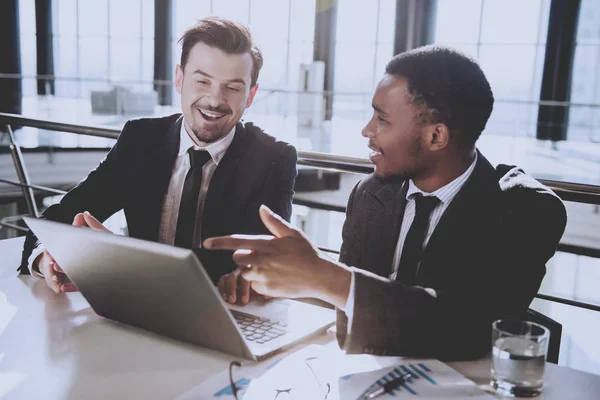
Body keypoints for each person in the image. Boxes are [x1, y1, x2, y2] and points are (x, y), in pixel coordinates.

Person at [204, 46, 568, 361]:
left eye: (382, 119)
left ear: (436, 135)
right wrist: (285, 280)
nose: (366, 130)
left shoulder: (525, 211)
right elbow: (352, 301)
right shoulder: (371, 195)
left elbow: (467, 328)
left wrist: (323, 275)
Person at [20, 17, 298, 298]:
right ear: (179, 79)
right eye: (202, 81)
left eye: (233, 88)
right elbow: (60, 218)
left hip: (221, 310)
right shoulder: (140, 140)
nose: (214, 99)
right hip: (140, 306)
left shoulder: (273, 159)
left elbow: (259, 259)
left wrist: (122, 259)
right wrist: (46, 258)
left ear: (250, 96)